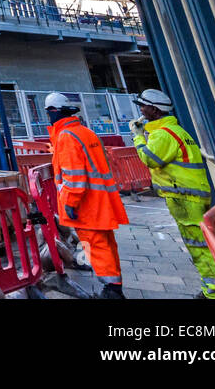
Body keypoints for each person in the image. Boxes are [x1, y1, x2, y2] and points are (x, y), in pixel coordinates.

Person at [130, 88, 215, 298]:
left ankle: (214, 292)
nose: (141, 110)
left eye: (144, 106)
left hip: (184, 198)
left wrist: (137, 138)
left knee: (199, 247)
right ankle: (214, 288)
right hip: (193, 196)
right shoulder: (176, 131)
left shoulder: (164, 134)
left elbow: (151, 159)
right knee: (203, 244)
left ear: (154, 110)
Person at [46, 92, 129, 298]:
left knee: (95, 245)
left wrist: (70, 203)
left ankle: (112, 291)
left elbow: (74, 176)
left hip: (86, 203)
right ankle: (114, 284)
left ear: (54, 112)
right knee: (106, 244)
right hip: (101, 200)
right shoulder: (85, 132)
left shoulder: (66, 137)